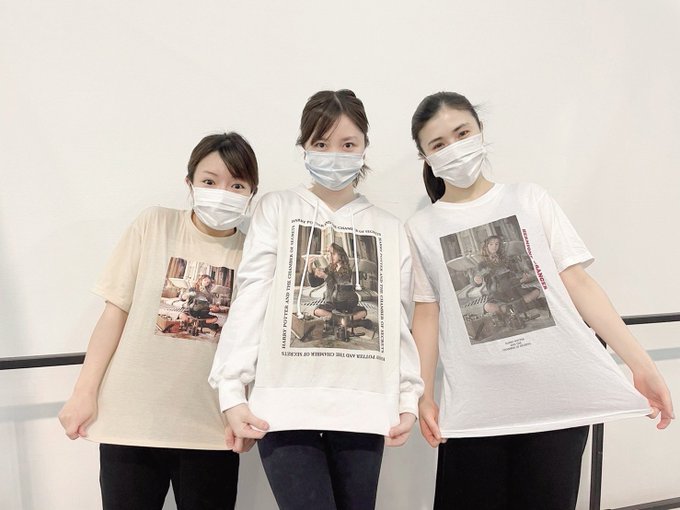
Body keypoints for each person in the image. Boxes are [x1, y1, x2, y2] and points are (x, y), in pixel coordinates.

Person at [405, 91, 674, 510]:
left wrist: (642, 365)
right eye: (439, 144)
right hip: (478, 410)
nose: (454, 148)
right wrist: (422, 395)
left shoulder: (529, 199)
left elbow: (578, 283)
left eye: (462, 133)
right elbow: (427, 312)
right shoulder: (421, 227)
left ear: (480, 131)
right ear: (425, 156)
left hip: (559, 398)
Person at [209, 89, 423, 510]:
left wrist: (407, 395)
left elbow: (397, 318)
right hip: (283, 409)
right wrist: (231, 390)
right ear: (304, 146)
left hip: (364, 408)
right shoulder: (276, 208)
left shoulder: (390, 227)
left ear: (364, 146)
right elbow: (251, 297)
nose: (334, 155)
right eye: (321, 144)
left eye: (348, 144)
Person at [58, 132, 259, 510]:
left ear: (251, 193)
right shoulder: (154, 225)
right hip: (130, 423)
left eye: (237, 185)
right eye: (210, 181)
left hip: (209, 429)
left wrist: (244, 408)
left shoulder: (255, 252)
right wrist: (84, 392)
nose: (222, 193)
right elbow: (115, 313)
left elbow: (253, 344)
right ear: (190, 183)